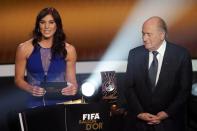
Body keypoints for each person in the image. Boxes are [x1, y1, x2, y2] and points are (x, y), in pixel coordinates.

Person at [123, 16, 193, 131]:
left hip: (170, 122)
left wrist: (167, 113)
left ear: (162, 35)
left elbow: (184, 90)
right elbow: (128, 87)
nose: (144, 38)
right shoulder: (134, 54)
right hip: (139, 124)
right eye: (143, 34)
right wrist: (140, 113)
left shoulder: (181, 55)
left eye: (149, 34)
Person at [15, 7, 78, 108]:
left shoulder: (69, 50)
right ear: (38, 25)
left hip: (61, 105)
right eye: (42, 22)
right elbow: (18, 79)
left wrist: (73, 88)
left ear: (57, 25)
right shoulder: (24, 48)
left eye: (51, 22)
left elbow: (72, 81)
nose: (46, 26)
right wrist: (30, 88)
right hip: (34, 105)